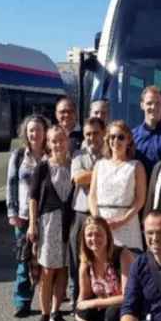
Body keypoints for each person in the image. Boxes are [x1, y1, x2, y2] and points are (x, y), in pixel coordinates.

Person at [64, 216, 135, 321]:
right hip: (101, 309)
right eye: (89, 235)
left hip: (126, 311)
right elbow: (84, 297)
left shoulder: (122, 255)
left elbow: (127, 297)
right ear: (83, 238)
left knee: (110, 315)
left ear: (107, 236)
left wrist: (93, 304)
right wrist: (79, 314)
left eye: (98, 234)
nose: (93, 239)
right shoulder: (86, 262)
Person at [27, 126, 76, 321]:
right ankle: (44, 315)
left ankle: (57, 312)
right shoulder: (43, 167)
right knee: (47, 270)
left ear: (67, 142)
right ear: (48, 143)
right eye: (54, 141)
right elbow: (33, 197)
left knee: (63, 269)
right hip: (48, 223)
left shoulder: (74, 165)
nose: (58, 145)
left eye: (61, 140)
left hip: (69, 222)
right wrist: (31, 224)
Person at [5, 114, 49, 318]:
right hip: (23, 216)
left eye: (39, 129)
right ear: (26, 133)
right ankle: (22, 302)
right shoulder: (19, 155)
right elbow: (11, 184)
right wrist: (12, 212)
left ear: (45, 132)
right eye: (31, 130)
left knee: (45, 261)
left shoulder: (51, 154)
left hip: (48, 216)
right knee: (24, 259)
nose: (35, 133)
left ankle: (47, 302)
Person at [89, 120, 146, 251]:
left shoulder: (136, 166)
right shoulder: (99, 165)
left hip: (128, 224)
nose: (116, 141)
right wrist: (98, 220)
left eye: (120, 137)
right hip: (101, 224)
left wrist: (122, 221)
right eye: (112, 137)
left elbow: (140, 200)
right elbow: (92, 196)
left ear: (128, 141)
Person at [69, 117, 106, 306]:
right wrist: (107, 173)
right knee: (78, 260)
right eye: (88, 134)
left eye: (96, 133)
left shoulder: (111, 153)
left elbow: (86, 177)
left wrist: (91, 174)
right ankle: (79, 302)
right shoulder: (77, 155)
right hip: (81, 214)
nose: (92, 138)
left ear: (104, 133)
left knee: (103, 260)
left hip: (104, 215)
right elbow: (78, 178)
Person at [132, 86, 161, 177]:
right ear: (142, 105)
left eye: (158, 103)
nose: (153, 107)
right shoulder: (131, 136)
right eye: (149, 103)